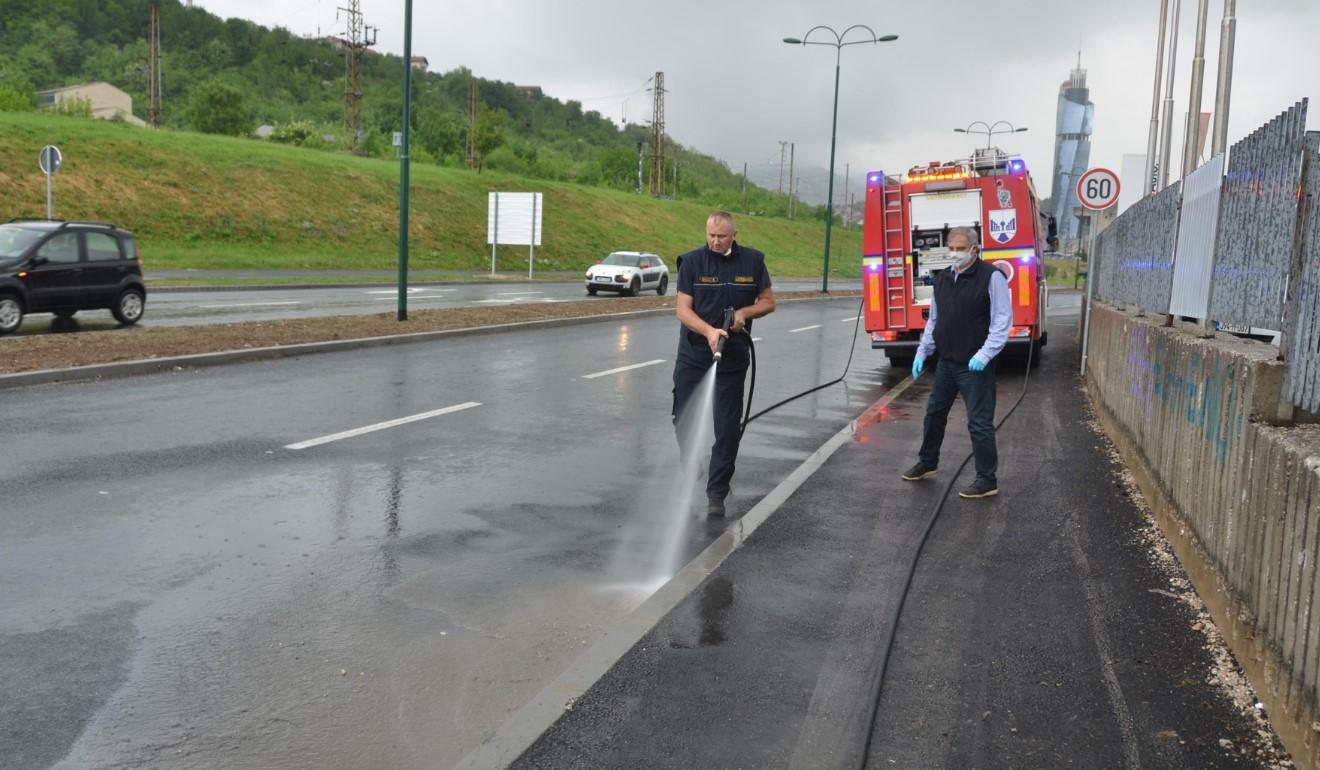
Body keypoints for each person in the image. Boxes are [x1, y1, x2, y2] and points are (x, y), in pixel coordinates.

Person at [673, 211, 775, 516]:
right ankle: (693, 464)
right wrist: (707, 331)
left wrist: (744, 314)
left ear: (734, 234)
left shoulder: (753, 262)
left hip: (733, 356)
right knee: (682, 418)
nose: (715, 241)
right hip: (694, 353)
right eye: (711, 235)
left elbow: (769, 301)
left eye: (722, 236)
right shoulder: (691, 262)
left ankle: (716, 493)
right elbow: (682, 309)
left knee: (728, 428)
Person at [900, 226, 1011, 499]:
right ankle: (928, 462)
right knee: (935, 412)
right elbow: (935, 321)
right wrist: (922, 351)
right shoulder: (943, 280)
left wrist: (984, 355)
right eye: (952, 248)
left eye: (960, 248)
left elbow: (1002, 321)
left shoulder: (991, 277)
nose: (955, 253)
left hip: (975, 364)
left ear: (974, 249)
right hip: (947, 362)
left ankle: (987, 480)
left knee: (979, 422)